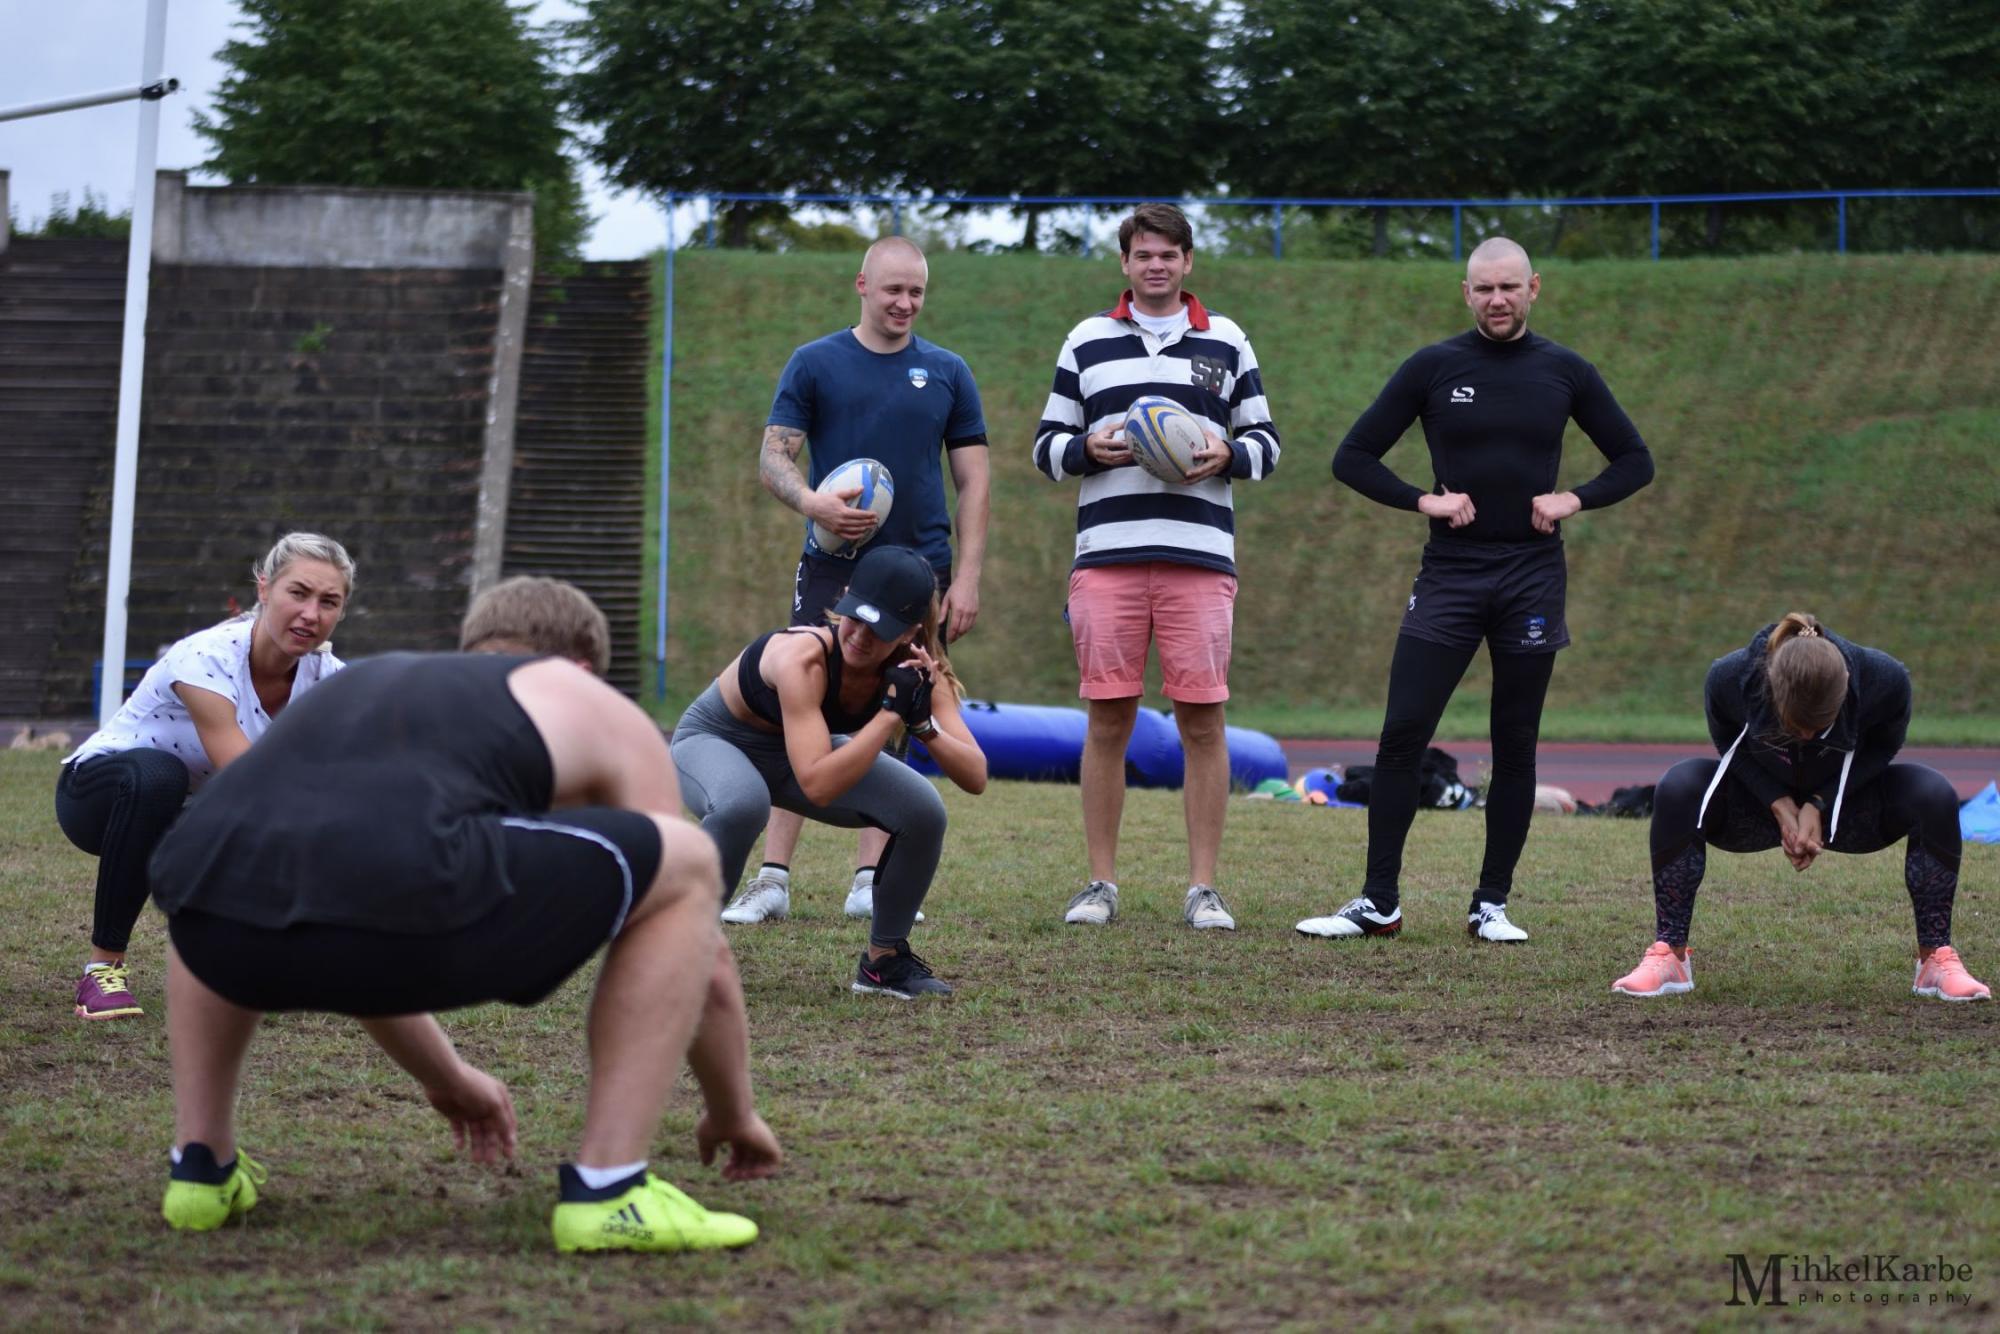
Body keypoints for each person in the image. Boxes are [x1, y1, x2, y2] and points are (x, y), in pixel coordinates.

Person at [146, 576, 783, 1252]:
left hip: (208, 921)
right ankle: (610, 1189)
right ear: (580, 666)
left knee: (236, 854)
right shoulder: (583, 697)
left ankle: (200, 1165)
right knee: (686, 861)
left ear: (470, 649)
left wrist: (448, 1080)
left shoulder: (361, 688)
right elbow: (703, 951)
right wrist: (732, 1112)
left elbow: (352, 894)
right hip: (402, 898)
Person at [1297, 237, 1653, 945]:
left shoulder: (1566, 371)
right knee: (1403, 732)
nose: (1497, 300)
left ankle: (1491, 904)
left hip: (1531, 576)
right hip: (1451, 573)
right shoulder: (1433, 367)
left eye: (1509, 287)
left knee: (1514, 742)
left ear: (1533, 288)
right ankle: (1378, 902)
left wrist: (1573, 499)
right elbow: (1352, 456)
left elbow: (1635, 459)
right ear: (1466, 293)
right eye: (1484, 288)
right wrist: (1421, 500)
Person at [1032, 202, 1280, 932]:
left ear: (1188, 261)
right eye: (1144, 254)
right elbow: (1046, 447)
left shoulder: (1227, 340)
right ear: (1126, 262)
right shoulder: (1087, 341)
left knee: (1202, 721)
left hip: (1198, 560)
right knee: (1107, 719)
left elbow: (1267, 443)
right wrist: (1088, 449)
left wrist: (1228, 453)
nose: (1157, 265)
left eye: (1169, 254)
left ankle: (1203, 888)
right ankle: (1099, 883)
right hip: (1107, 559)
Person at [735, 235, 990, 926]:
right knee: (799, 702)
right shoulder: (815, 362)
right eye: (893, 290)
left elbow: (973, 480)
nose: (905, 303)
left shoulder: (947, 371)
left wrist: (966, 577)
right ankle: (772, 877)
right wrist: (812, 503)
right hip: (835, 568)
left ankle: (870, 879)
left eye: (917, 292)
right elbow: (774, 458)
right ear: (862, 285)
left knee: (902, 701)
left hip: (919, 571)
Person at [1612, 613, 1989, 1002]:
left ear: (1847, 687)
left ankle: (1935, 960)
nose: (1807, 736)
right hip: (1757, 805)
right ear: (1769, 688)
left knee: (1933, 793)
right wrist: (1776, 800)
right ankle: (1670, 955)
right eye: (1794, 728)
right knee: (1680, 786)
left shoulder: (1885, 681)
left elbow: (1882, 747)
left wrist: (1819, 803)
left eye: (1820, 727)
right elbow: (1728, 740)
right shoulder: (1731, 679)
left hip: (1847, 804)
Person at [55, 532, 353, 1020]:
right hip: (98, 799)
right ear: (264, 589)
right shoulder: (207, 657)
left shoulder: (330, 679)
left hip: (191, 814)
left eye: (328, 602)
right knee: (164, 777)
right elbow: (248, 781)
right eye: (298, 593)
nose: (310, 614)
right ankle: (102, 970)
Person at [671, 545, 987, 998]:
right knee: (743, 802)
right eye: (855, 617)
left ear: (909, 632)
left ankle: (884, 962)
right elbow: (817, 785)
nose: (860, 636)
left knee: (924, 811)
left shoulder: (916, 671)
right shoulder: (803, 658)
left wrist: (923, 726)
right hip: (715, 741)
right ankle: (679, 953)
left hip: (797, 755)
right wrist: (888, 717)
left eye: (879, 629)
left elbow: (975, 776)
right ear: (845, 598)